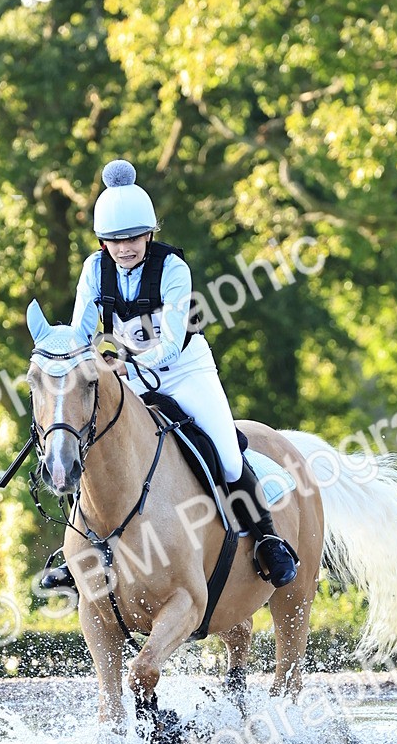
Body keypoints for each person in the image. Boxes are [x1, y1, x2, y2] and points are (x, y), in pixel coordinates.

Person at [39, 158, 299, 591]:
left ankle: (267, 538)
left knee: (227, 454)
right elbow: (83, 332)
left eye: (134, 238)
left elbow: (173, 342)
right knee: (89, 441)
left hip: (183, 369)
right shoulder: (93, 270)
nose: (125, 248)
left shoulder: (173, 269)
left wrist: (125, 363)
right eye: (115, 240)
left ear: (149, 234)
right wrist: (66, 357)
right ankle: (81, 549)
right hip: (127, 372)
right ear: (103, 241)